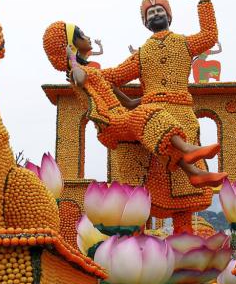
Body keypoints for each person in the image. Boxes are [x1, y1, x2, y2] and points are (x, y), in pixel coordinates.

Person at [100, 0, 220, 233]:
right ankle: (137, 243)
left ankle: (184, 241)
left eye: (159, 10)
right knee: (144, 183)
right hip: (150, 117)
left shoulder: (185, 44)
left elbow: (210, 36)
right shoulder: (141, 55)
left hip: (183, 116)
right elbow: (114, 76)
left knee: (182, 193)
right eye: (150, 12)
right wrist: (86, 71)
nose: (155, 14)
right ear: (145, 22)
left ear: (169, 16)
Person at [43, 21, 226, 188]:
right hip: (110, 123)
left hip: (120, 116)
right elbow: (80, 79)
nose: (87, 37)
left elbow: (121, 96)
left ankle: (195, 173)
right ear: (71, 45)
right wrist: (71, 59)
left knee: (159, 137)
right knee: (147, 113)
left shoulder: (91, 71)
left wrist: (142, 100)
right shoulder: (76, 72)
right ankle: (187, 149)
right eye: (81, 34)